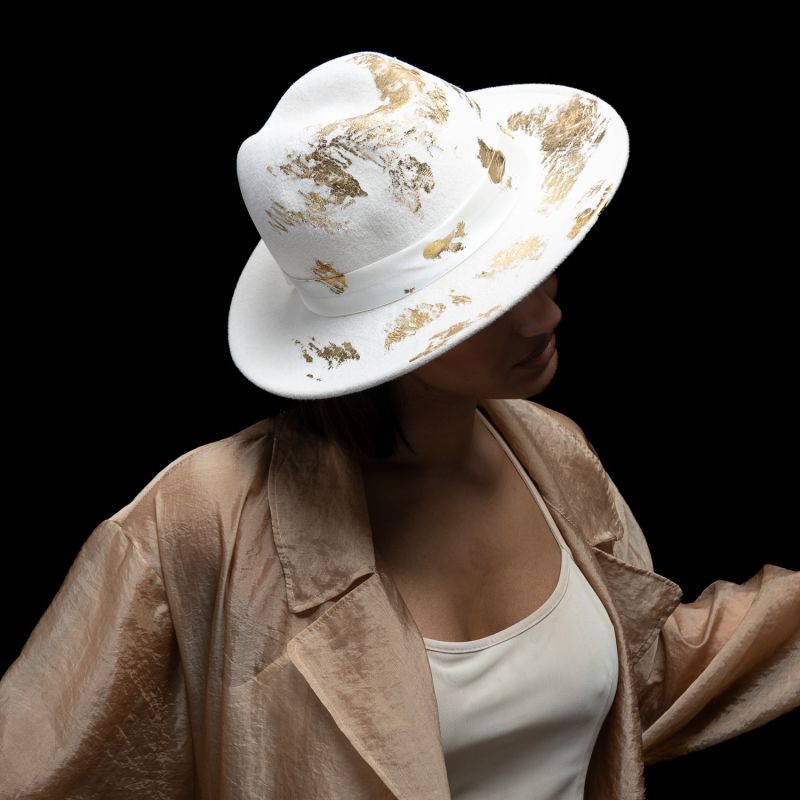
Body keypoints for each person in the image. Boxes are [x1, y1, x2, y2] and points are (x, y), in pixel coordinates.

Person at [1, 50, 798, 800]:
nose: (546, 311)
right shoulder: (202, 518)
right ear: (381, 326)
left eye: (529, 260)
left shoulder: (553, 453)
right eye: (486, 296)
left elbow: (641, 674)